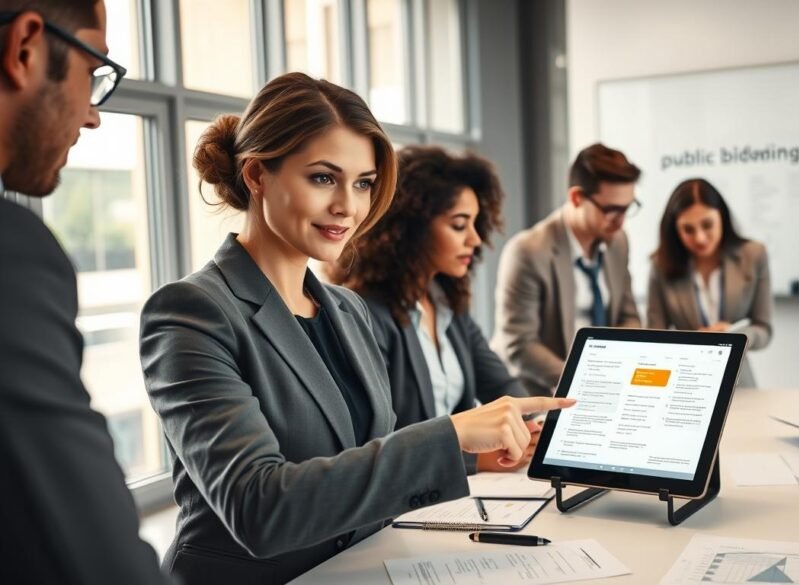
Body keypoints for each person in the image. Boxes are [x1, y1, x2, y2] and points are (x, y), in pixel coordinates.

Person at [139, 72, 572, 584]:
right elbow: (259, 508)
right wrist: (449, 435)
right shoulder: (191, 313)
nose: (348, 205)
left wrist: (470, 459)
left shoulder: (346, 309)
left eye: (363, 182)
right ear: (257, 176)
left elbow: (362, 460)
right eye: (323, 177)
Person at [0, 2, 171, 583]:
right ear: (25, 48)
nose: (94, 115)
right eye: (93, 70)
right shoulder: (11, 254)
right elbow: (93, 560)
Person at [333, 145, 530, 473]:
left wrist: (534, 425)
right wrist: (471, 460)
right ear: (412, 228)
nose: (475, 239)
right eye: (459, 225)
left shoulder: (448, 303)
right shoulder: (365, 313)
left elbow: (500, 386)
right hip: (408, 500)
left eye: (476, 224)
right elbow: (378, 441)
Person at [491, 143, 642, 396]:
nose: (621, 220)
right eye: (611, 210)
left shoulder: (618, 241)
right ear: (576, 198)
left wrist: (620, 367)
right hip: (536, 393)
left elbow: (628, 314)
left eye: (627, 208)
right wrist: (583, 381)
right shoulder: (528, 251)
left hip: (604, 388)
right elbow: (520, 345)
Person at [646, 178, 772, 388]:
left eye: (707, 225)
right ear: (674, 229)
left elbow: (764, 329)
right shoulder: (660, 266)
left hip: (739, 383)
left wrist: (736, 337)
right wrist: (693, 341)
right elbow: (654, 338)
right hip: (684, 383)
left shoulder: (754, 255)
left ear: (722, 217)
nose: (700, 238)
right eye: (688, 229)